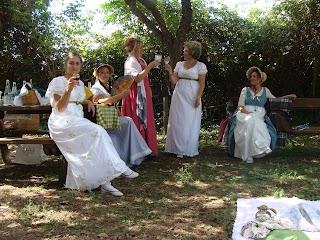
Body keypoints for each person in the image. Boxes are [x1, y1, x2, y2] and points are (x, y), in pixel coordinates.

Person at [45, 52, 139, 197]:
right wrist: (68, 89)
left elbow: (77, 99)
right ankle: (120, 167)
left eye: (77, 63)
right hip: (62, 121)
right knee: (98, 131)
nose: (74, 66)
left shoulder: (80, 83)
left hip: (78, 120)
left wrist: (87, 101)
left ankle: (105, 182)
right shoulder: (57, 82)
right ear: (65, 65)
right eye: (71, 63)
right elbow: (60, 107)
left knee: (96, 141)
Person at [228, 66, 297, 163]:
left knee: (257, 124)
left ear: (260, 79)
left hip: (259, 115)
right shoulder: (245, 90)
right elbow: (240, 106)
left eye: (254, 76)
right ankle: (249, 153)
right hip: (244, 114)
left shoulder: (265, 90)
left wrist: (288, 96)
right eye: (251, 76)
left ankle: (258, 148)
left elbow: (275, 99)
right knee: (250, 121)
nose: (252, 78)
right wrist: (248, 113)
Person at [90, 62, 153, 166]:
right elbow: (102, 101)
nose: (105, 75)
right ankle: (141, 152)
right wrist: (120, 96)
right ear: (97, 75)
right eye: (102, 72)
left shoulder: (108, 87)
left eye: (107, 72)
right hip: (102, 122)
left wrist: (119, 113)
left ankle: (137, 154)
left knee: (127, 123)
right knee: (128, 122)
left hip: (111, 119)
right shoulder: (96, 88)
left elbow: (113, 105)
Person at [164, 41, 208, 158]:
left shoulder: (200, 66)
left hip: (192, 94)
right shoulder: (179, 64)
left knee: (189, 121)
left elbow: (202, 84)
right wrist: (169, 71)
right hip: (179, 94)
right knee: (178, 120)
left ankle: (187, 148)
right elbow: (174, 80)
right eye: (184, 50)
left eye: (186, 50)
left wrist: (198, 97)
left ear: (193, 52)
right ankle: (176, 149)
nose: (184, 51)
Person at [122, 37, 160, 157]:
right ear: (134, 48)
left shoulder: (141, 60)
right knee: (137, 119)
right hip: (135, 93)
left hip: (143, 92)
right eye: (140, 47)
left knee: (146, 118)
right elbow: (137, 78)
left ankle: (148, 147)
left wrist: (149, 91)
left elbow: (144, 79)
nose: (142, 49)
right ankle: (138, 151)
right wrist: (150, 66)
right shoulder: (130, 62)